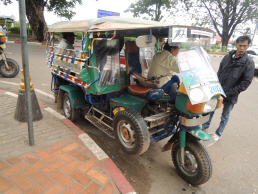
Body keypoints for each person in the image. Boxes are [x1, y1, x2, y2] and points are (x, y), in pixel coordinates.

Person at [202, 35, 255, 141]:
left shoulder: (248, 63)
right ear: (236, 45)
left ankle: (218, 134)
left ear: (248, 46)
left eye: (245, 46)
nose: (242, 48)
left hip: (231, 95)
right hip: (217, 92)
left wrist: (227, 93)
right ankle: (204, 128)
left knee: (225, 116)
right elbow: (219, 73)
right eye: (240, 45)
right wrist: (215, 87)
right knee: (210, 110)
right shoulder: (227, 57)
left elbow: (245, 83)